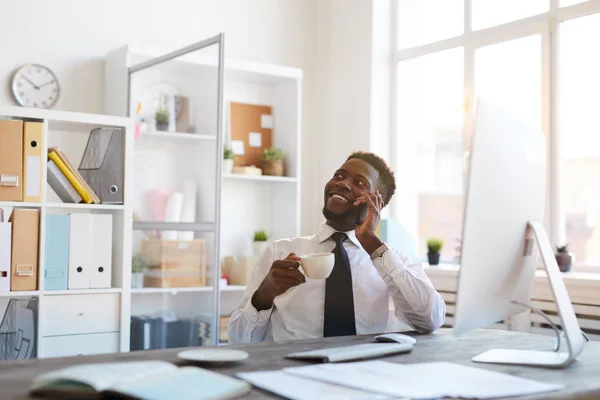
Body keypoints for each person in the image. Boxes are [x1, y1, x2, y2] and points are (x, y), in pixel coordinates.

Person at [228, 151, 445, 343]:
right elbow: (238, 339)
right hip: (294, 372)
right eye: (338, 176)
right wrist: (263, 296)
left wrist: (372, 243)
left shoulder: (394, 260)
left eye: (360, 183)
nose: (342, 183)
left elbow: (430, 320)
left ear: (378, 203)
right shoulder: (279, 252)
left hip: (365, 374)